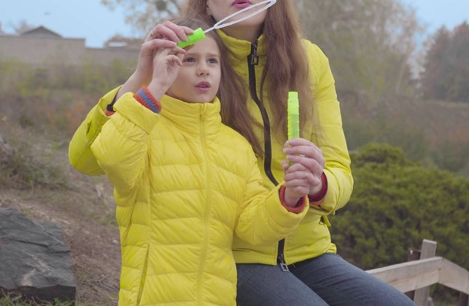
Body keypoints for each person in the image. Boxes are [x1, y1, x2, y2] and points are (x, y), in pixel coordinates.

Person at [69, 0, 415, 305]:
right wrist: (140, 78)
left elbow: (341, 171)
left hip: (309, 249)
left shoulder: (310, 61)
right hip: (234, 256)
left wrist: (317, 184)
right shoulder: (190, 67)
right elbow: (87, 159)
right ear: (205, 1)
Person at [88, 17, 310, 305]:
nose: (203, 69)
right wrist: (154, 85)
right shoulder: (142, 127)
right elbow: (112, 156)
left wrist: (289, 196)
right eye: (189, 59)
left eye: (212, 61)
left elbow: (252, 228)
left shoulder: (236, 146)